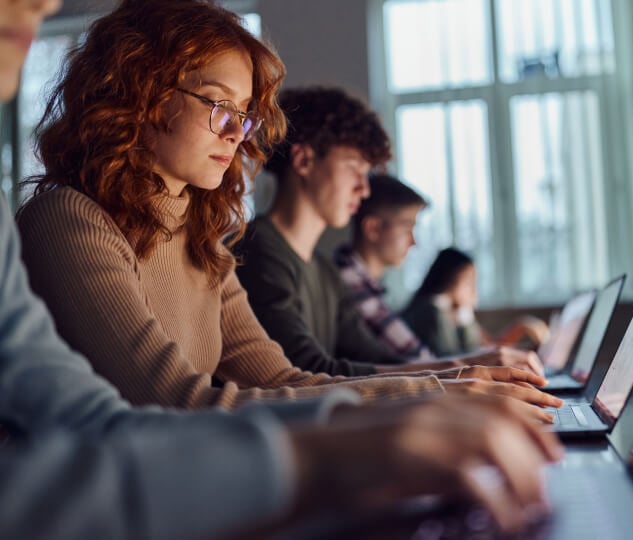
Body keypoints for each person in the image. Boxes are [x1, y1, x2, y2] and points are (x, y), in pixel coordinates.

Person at [0, 0, 563, 537]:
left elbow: (282, 379)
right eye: (219, 105)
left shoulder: (203, 237)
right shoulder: (68, 218)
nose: (235, 132)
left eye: (244, 115)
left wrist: (447, 389)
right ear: (142, 96)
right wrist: (413, 409)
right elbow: (175, 402)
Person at [234, 86, 547, 379]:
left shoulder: (326, 271)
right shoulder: (258, 253)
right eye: (353, 167)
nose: (364, 187)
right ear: (304, 160)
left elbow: (384, 361)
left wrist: (473, 366)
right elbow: (309, 372)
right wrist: (462, 368)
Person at [333, 173, 433, 361]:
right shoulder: (349, 281)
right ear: (373, 229)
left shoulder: (365, 282)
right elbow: (418, 359)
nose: (413, 242)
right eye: (407, 228)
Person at [403, 247, 550, 357]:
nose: (473, 291)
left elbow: (489, 345)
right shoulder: (432, 311)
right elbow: (455, 359)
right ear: (448, 280)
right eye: (469, 282)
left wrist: (522, 327)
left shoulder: (457, 312)